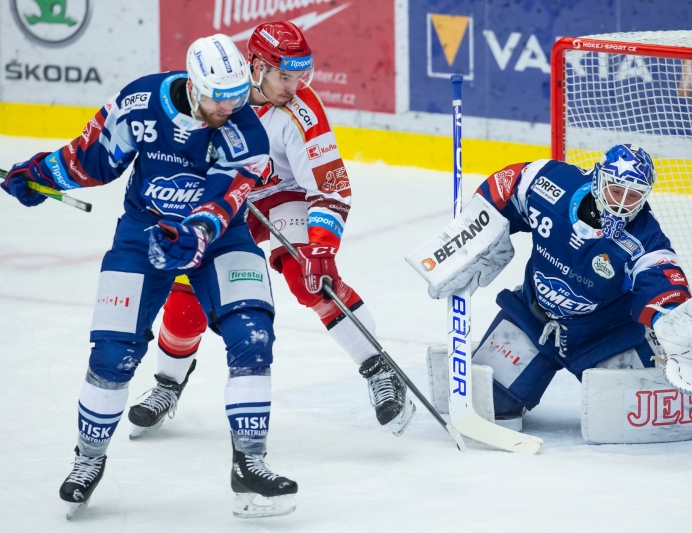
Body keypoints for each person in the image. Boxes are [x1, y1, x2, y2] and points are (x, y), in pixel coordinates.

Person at [1, 34, 298, 519]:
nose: (229, 106)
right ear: (192, 83)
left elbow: (224, 201)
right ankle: (88, 460)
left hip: (219, 236)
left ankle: (250, 462)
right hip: (143, 235)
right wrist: (38, 174)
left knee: (253, 335)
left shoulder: (246, 131)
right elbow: (92, 157)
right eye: (218, 97)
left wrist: (194, 234)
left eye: (237, 95)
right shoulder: (139, 102)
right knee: (113, 353)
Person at [126, 21, 416, 440]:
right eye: (285, 75)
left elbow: (329, 188)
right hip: (226, 196)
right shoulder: (218, 92)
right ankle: (168, 385)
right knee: (187, 291)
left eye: (302, 75)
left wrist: (321, 248)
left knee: (311, 278)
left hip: (282, 196)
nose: (294, 86)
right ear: (256, 66)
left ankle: (379, 369)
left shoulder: (302, 111)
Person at [410, 144, 692, 428]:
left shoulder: (645, 239)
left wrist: (680, 326)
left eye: (634, 197)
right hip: (533, 320)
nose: (622, 203)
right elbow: (507, 185)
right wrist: (475, 232)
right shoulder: (550, 183)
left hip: (604, 338)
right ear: (599, 179)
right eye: (616, 191)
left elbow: (662, 282)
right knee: (488, 406)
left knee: (635, 415)